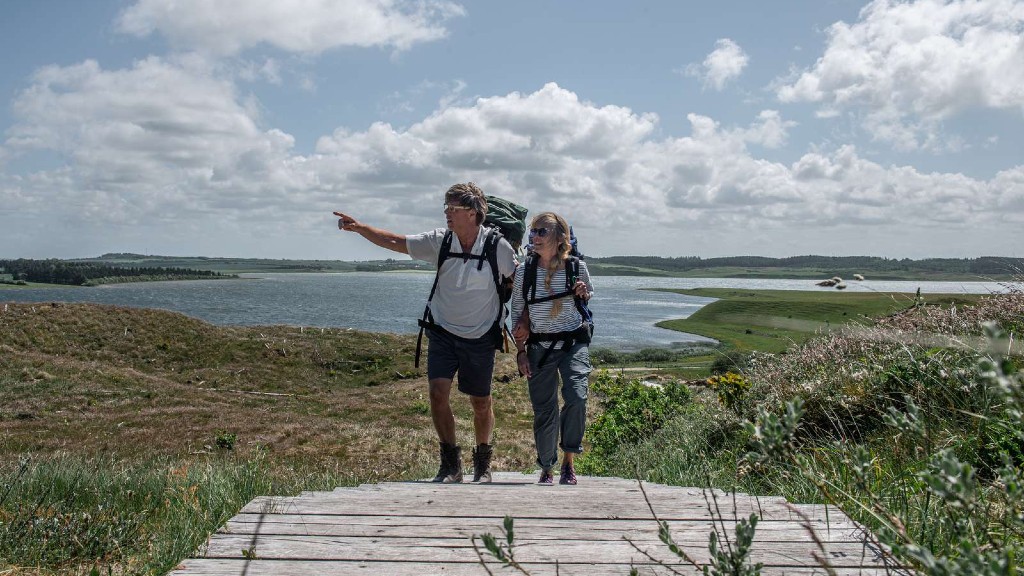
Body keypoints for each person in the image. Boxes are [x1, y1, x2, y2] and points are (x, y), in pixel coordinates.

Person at [334, 183, 517, 483]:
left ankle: (483, 463)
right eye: (446, 207)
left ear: (472, 213)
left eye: (453, 208)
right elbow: (396, 241)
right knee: (436, 394)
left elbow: (520, 281)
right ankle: (450, 465)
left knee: (481, 402)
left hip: (481, 335)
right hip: (442, 330)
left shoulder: (498, 247)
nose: (447, 213)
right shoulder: (440, 241)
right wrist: (360, 227)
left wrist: (527, 321)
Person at [510, 212, 593, 485]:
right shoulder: (525, 271)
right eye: (532, 231)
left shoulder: (576, 267)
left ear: (560, 237)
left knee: (577, 397)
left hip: (572, 342)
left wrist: (582, 291)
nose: (534, 236)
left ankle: (569, 462)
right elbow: (518, 313)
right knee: (545, 409)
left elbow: (587, 295)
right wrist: (520, 352)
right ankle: (547, 467)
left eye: (541, 231)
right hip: (539, 346)